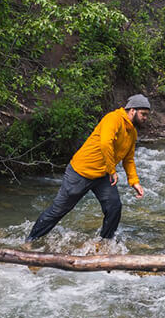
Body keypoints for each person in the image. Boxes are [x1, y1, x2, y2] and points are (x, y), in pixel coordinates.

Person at [27, 95, 151, 244]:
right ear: (132, 110)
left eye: (146, 115)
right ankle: (30, 240)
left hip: (102, 175)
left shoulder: (132, 133)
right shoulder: (113, 119)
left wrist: (134, 182)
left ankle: (104, 244)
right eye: (143, 114)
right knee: (58, 210)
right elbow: (106, 143)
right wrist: (112, 170)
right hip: (80, 172)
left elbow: (128, 159)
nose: (145, 118)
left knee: (114, 207)